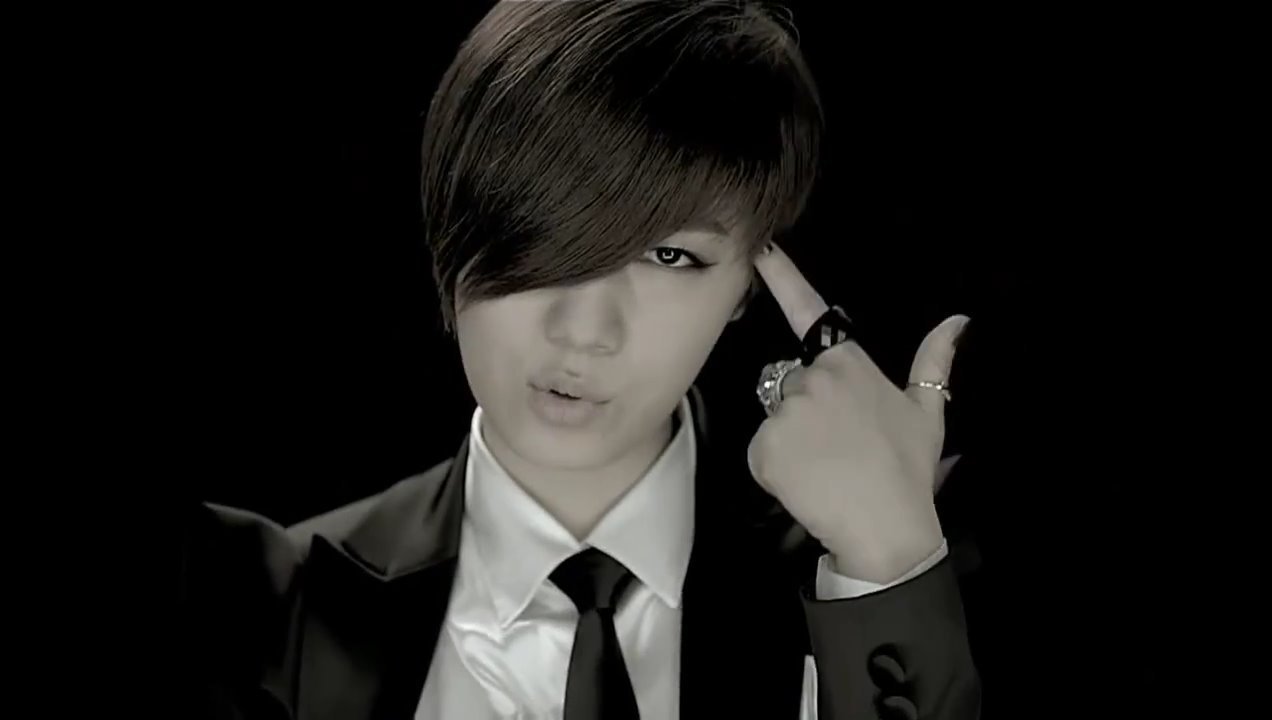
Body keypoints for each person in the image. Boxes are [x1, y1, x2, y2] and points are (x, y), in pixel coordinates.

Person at [179, 1, 981, 718]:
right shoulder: (260, 609)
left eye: (669, 256)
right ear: (448, 231)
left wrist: (887, 566)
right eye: (549, 237)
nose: (585, 330)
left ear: (749, 284)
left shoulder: (886, 590)